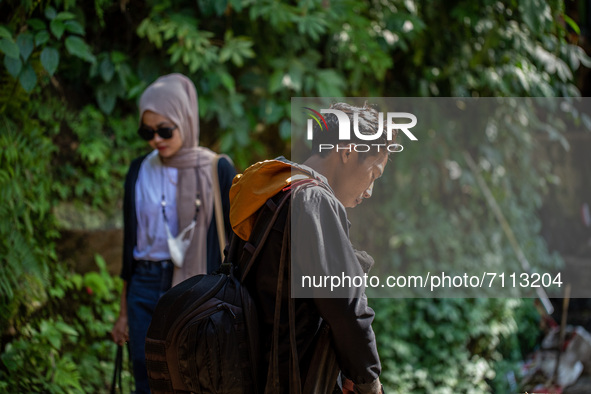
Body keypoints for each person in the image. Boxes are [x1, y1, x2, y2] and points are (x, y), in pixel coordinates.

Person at [229, 102, 390, 393]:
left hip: (249, 370)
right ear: (347, 151)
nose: (369, 191)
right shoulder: (314, 201)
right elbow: (346, 306)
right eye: (374, 174)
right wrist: (370, 381)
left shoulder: (271, 190)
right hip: (292, 378)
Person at [110, 73, 235, 393]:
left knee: (191, 376)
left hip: (194, 289)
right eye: (147, 132)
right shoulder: (139, 170)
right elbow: (130, 247)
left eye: (165, 130)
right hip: (144, 283)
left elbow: (235, 242)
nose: (155, 139)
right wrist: (123, 312)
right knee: (145, 375)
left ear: (186, 119)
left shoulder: (216, 169)